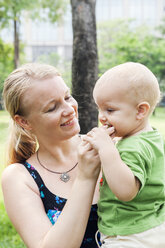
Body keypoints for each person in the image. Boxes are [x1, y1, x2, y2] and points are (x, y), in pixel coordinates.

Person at [1, 63, 108, 248]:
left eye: (67, 97)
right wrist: (86, 177)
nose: (69, 109)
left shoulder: (106, 147)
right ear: (24, 122)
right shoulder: (19, 177)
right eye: (52, 108)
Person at [83, 62, 165, 247]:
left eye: (110, 110)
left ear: (140, 111)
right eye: (99, 109)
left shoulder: (133, 147)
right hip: (150, 225)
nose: (101, 116)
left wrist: (107, 150)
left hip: (130, 236)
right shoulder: (149, 137)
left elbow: (126, 191)